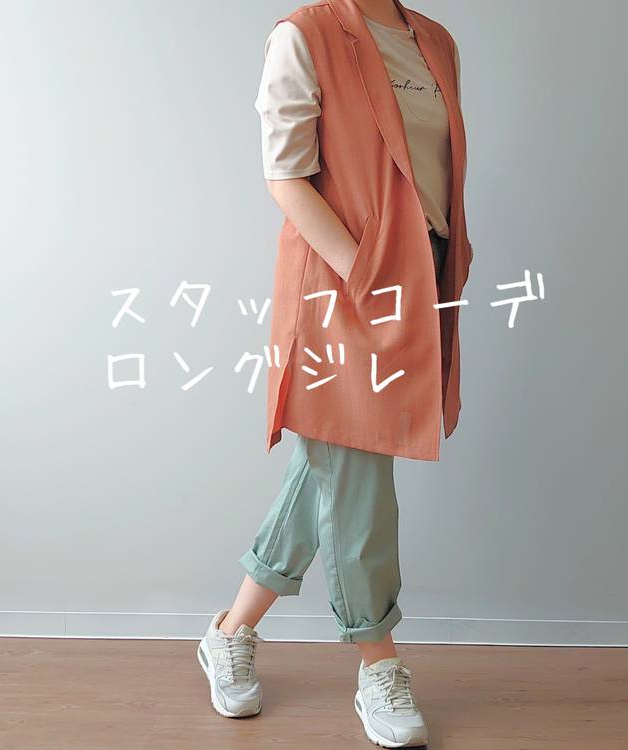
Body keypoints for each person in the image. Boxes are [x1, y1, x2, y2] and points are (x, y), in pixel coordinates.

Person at [197, 0, 473, 746]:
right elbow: (287, 177)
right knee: (358, 473)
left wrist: (433, 272)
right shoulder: (305, 35)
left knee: (331, 461)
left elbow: (435, 174)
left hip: (422, 276)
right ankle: (378, 661)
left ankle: (230, 631)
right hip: (340, 280)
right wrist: (366, 277)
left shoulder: (436, 41)